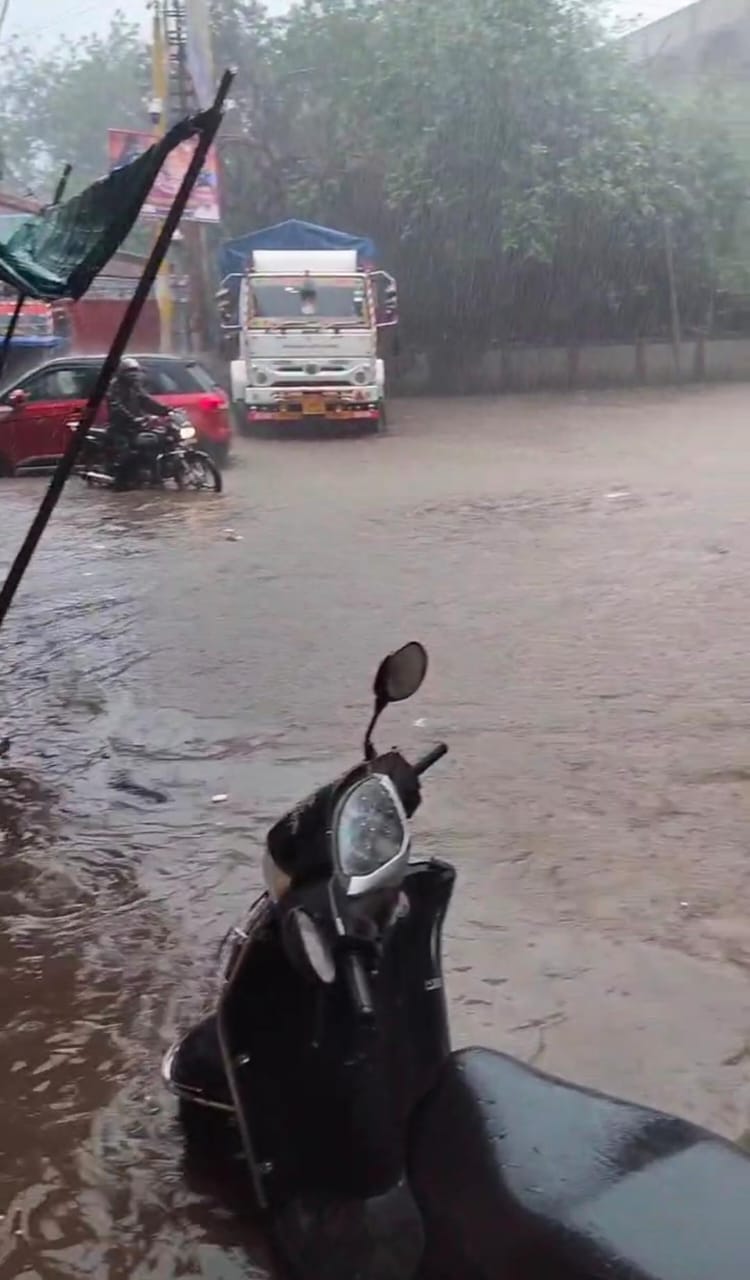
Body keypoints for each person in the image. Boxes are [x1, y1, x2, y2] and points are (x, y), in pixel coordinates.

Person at [105, 357, 169, 488]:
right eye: (130, 371)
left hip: (137, 425)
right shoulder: (114, 387)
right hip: (120, 427)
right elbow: (116, 406)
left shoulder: (135, 386)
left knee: (157, 442)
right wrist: (132, 418)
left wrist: (166, 410)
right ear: (122, 372)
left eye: (135, 370)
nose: (133, 374)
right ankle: (121, 483)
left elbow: (147, 400)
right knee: (128, 452)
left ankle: (154, 475)